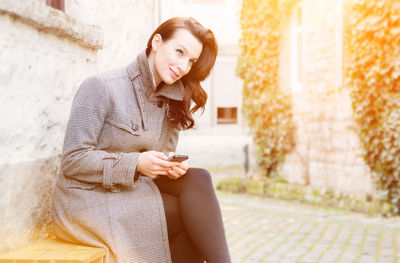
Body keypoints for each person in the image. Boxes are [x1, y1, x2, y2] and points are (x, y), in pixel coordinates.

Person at [51, 17, 231, 263]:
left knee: (199, 179)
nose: (183, 66)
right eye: (179, 52)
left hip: (130, 190)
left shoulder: (173, 100)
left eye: (190, 61)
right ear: (157, 42)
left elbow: (152, 168)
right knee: (191, 216)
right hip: (85, 200)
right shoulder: (101, 87)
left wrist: (167, 167)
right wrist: (136, 163)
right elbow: (73, 161)